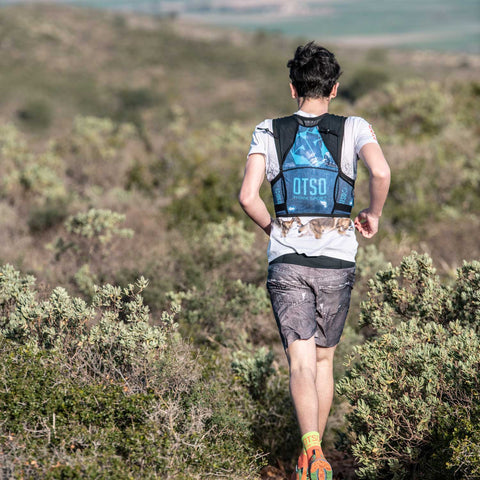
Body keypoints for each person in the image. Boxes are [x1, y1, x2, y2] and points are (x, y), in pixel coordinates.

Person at [238, 42, 390, 480]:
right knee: (324, 362)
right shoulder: (355, 126)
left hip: (287, 260)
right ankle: (315, 460)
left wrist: (277, 231)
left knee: (300, 362)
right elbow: (380, 173)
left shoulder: (267, 130)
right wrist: (373, 214)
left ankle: (309, 449)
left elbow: (248, 197)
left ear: (292, 88)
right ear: (335, 87)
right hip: (337, 261)